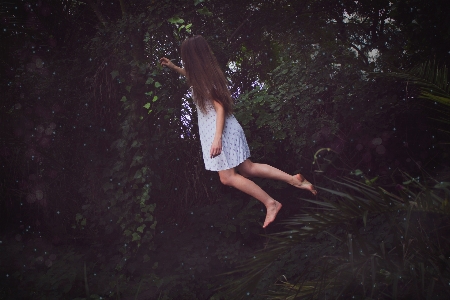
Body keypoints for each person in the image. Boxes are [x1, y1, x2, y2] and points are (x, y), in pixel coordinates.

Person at [160, 35, 316, 228]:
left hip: (221, 131)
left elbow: (219, 108)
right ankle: (294, 179)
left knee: (227, 177)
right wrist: (175, 68)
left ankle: (271, 203)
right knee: (248, 168)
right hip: (229, 128)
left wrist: (217, 139)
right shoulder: (205, 75)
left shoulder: (204, 80)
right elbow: (194, 80)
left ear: (192, 58)